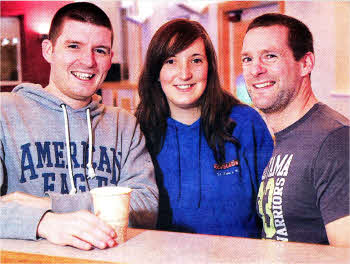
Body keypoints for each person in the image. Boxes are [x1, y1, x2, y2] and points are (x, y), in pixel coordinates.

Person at [0, 2, 158, 250]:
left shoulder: (124, 123)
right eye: (74, 46)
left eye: (100, 50)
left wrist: (47, 206)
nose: (88, 61)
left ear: (110, 59)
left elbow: (147, 205)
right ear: (48, 50)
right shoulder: (4, 112)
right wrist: (45, 223)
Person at [135, 19, 273, 238]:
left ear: (209, 66)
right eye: (171, 61)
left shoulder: (245, 123)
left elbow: (274, 215)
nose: (184, 74)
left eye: (196, 60)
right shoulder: (138, 133)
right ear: (156, 71)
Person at [241, 13, 350, 246]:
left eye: (270, 56)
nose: (255, 70)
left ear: (305, 64)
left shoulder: (336, 140)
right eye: (247, 59)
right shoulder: (284, 137)